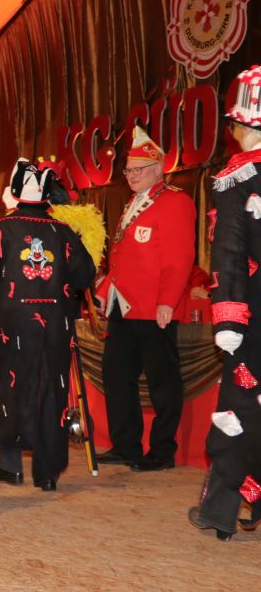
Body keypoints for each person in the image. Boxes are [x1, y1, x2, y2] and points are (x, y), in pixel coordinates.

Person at [0, 159, 96, 490]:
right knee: (51, 394)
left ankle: (11, 467)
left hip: (13, 326)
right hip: (56, 329)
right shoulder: (62, 232)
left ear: (16, 192)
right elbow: (85, 275)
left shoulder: (3, 230)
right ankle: (47, 475)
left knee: (10, 390)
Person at [96, 126, 197, 471]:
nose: (131, 176)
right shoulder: (131, 203)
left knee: (162, 382)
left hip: (155, 308)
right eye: (128, 170)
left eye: (138, 169)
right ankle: (126, 446)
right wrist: (103, 293)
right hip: (124, 307)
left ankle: (162, 451)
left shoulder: (176, 202)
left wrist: (167, 300)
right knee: (116, 376)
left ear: (158, 169)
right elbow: (120, 260)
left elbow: (180, 257)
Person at [188, 65, 261, 539]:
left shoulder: (236, 177)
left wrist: (228, 317)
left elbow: (229, 251)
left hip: (252, 314)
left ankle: (219, 512)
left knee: (238, 410)